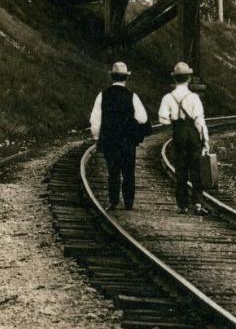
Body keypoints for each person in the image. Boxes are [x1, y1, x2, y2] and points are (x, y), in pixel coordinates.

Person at [89, 61, 149, 210]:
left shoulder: (102, 96)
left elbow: (95, 120)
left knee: (113, 171)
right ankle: (128, 203)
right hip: (127, 141)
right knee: (129, 172)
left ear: (112, 78)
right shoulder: (132, 96)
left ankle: (114, 201)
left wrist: (97, 138)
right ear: (126, 78)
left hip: (109, 140)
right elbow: (143, 118)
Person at [158, 62, 210, 214]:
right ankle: (199, 203)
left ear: (175, 79)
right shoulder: (193, 97)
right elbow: (199, 120)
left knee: (180, 169)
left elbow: (162, 118)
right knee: (196, 168)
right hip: (193, 133)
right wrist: (205, 139)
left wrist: (173, 122)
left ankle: (183, 205)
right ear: (188, 79)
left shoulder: (168, 97)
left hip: (179, 133)